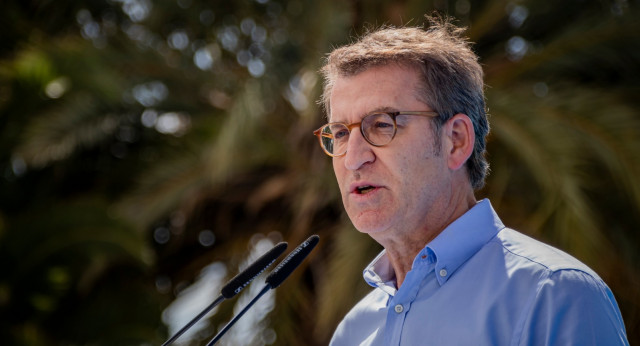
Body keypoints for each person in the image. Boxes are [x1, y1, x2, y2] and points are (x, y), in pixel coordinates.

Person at [314, 16, 629, 345]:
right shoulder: (351, 333)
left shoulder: (554, 296)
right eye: (339, 133)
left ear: (456, 141)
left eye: (381, 125)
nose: (352, 158)